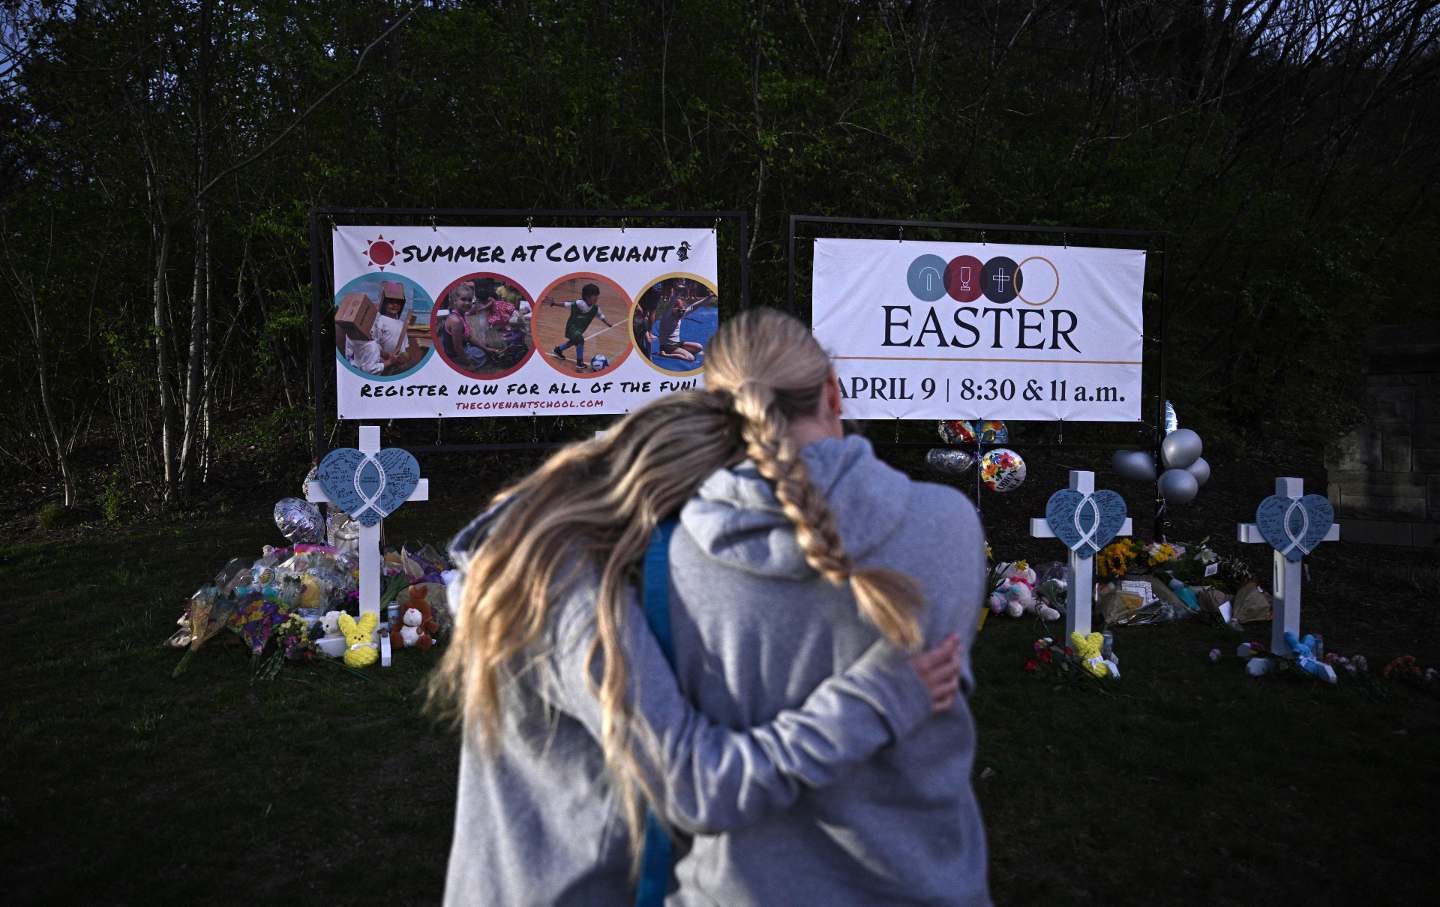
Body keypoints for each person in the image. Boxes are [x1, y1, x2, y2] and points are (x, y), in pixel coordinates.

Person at [433, 307, 989, 906]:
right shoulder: (950, 524)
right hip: (927, 885)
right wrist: (878, 700)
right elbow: (695, 781)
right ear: (833, 391)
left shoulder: (658, 558)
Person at [546, 283, 613, 371]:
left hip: (580, 329)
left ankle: (557, 350)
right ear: (587, 297)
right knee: (580, 339)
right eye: (594, 296)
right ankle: (579, 363)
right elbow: (566, 304)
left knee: (575, 341)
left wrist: (607, 323)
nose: (596, 298)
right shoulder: (579, 304)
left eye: (597, 296)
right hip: (572, 327)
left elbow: (601, 316)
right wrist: (554, 304)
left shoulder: (595, 308)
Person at [654, 282, 711, 363]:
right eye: (679, 310)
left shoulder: (679, 315)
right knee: (690, 358)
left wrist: (708, 298)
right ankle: (666, 355)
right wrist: (677, 292)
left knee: (699, 347)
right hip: (667, 347)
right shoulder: (666, 317)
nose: (682, 313)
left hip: (677, 344)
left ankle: (680, 351)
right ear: (673, 309)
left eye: (683, 310)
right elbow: (671, 303)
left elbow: (693, 307)